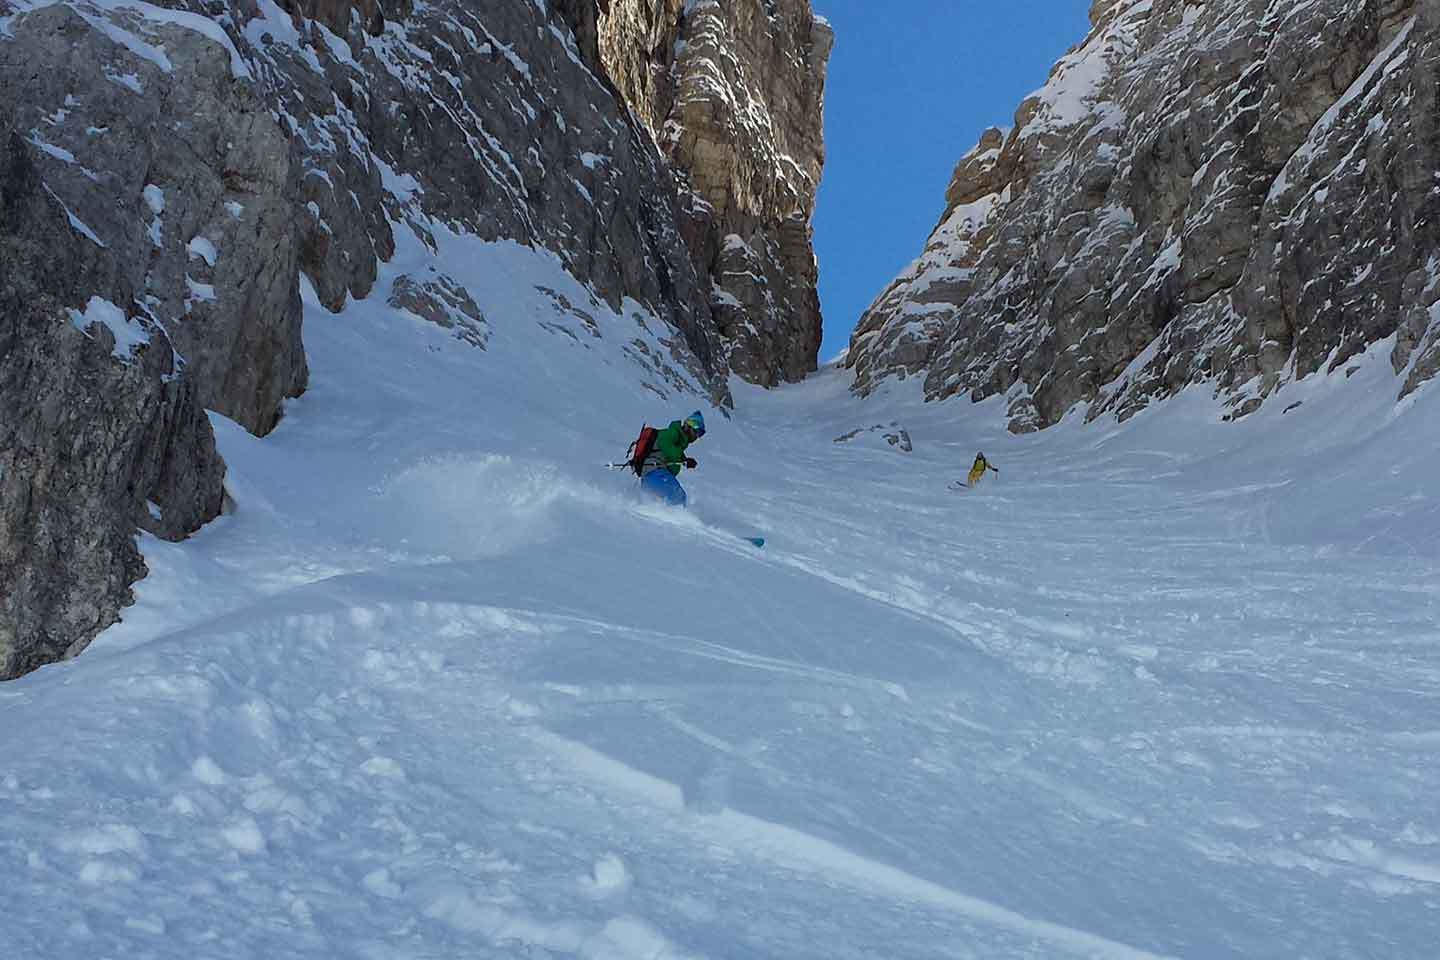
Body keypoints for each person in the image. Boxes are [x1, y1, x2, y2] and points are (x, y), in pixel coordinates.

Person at [640, 411, 705, 506]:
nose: (697, 436)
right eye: (697, 431)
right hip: (654, 471)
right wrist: (683, 459)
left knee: (664, 501)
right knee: (678, 497)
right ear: (689, 426)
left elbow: (671, 451)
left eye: (700, 434)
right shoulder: (673, 432)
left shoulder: (678, 442)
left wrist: (685, 460)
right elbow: (665, 444)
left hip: (653, 474)